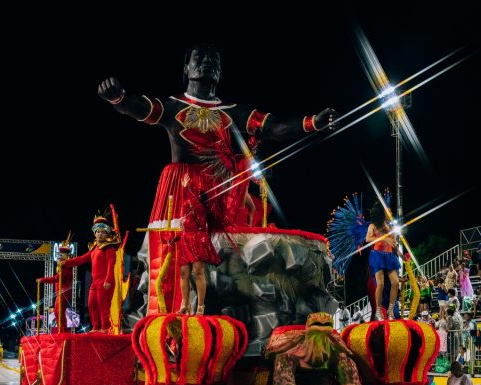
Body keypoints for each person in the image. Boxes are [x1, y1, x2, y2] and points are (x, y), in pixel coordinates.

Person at [98, 44, 336, 315]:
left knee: (224, 261)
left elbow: (275, 128)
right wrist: (118, 97)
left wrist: (312, 123)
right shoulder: (173, 105)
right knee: (173, 258)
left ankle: (219, 314)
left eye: (214, 60)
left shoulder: (233, 111)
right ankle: (169, 321)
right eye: (199, 58)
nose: (207, 63)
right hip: (181, 190)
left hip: (221, 194)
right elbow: (139, 107)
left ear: (221, 72)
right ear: (186, 68)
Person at [63, 213, 120, 330]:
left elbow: (111, 265)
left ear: (107, 233)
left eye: (103, 232)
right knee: (91, 305)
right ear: (94, 233)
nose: (100, 234)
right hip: (95, 282)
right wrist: (66, 262)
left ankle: (105, 328)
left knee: (103, 306)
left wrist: (108, 280)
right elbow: (82, 259)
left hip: (105, 281)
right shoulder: (93, 248)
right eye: (98, 232)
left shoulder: (109, 248)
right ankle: (95, 327)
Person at [365, 204, 401, 320]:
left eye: (390, 212)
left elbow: (394, 245)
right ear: (381, 213)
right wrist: (383, 238)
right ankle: (378, 311)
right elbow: (368, 239)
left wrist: (401, 255)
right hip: (377, 256)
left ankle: (390, 311)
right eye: (387, 212)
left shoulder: (391, 228)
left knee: (395, 282)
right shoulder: (373, 226)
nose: (389, 214)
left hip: (390, 256)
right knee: (380, 284)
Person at [37, 240, 76, 333]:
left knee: (59, 312)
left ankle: (62, 331)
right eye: (59, 255)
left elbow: (56, 279)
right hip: (60, 293)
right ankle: (61, 331)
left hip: (64, 292)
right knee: (57, 312)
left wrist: (42, 280)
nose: (59, 257)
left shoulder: (66, 267)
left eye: (61, 255)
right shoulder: (61, 267)